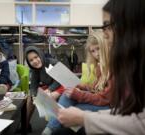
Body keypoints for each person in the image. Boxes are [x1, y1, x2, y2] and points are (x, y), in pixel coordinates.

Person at [52, 0, 145, 134]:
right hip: (114, 112)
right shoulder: (128, 63)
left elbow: (108, 100)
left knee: (64, 127)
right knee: (67, 105)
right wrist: (83, 88)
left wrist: (84, 117)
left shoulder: (123, 66)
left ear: (128, 23)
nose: (105, 33)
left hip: (109, 108)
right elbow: (127, 111)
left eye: (107, 26)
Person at [42, 31, 111, 135]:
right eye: (93, 51)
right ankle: (50, 129)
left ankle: (51, 129)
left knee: (71, 109)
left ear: (105, 46)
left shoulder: (115, 67)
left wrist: (79, 94)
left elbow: (105, 99)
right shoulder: (101, 66)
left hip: (111, 107)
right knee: (67, 95)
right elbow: (97, 87)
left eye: (98, 48)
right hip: (102, 101)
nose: (96, 53)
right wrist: (81, 86)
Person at [24, 46, 65, 132]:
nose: (34, 61)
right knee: (30, 98)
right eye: (31, 60)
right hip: (49, 90)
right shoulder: (35, 69)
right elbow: (33, 85)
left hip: (63, 87)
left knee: (50, 98)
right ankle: (25, 125)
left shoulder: (54, 63)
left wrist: (50, 89)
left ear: (41, 55)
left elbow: (61, 80)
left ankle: (54, 126)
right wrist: (33, 95)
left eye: (36, 57)